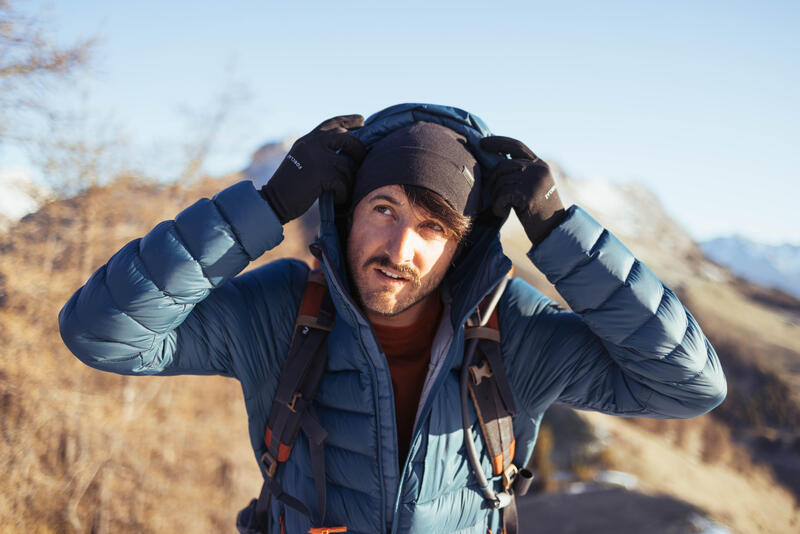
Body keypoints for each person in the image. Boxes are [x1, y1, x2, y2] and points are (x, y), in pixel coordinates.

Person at [59, 103, 727, 534]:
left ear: (462, 246)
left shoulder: (513, 329)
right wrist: (262, 208)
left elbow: (688, 386)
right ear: (347, 212)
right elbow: (100, 332)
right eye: (384, 208)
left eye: (434, 226)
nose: (400, 248)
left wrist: (560, 234)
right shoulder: (282, 310)